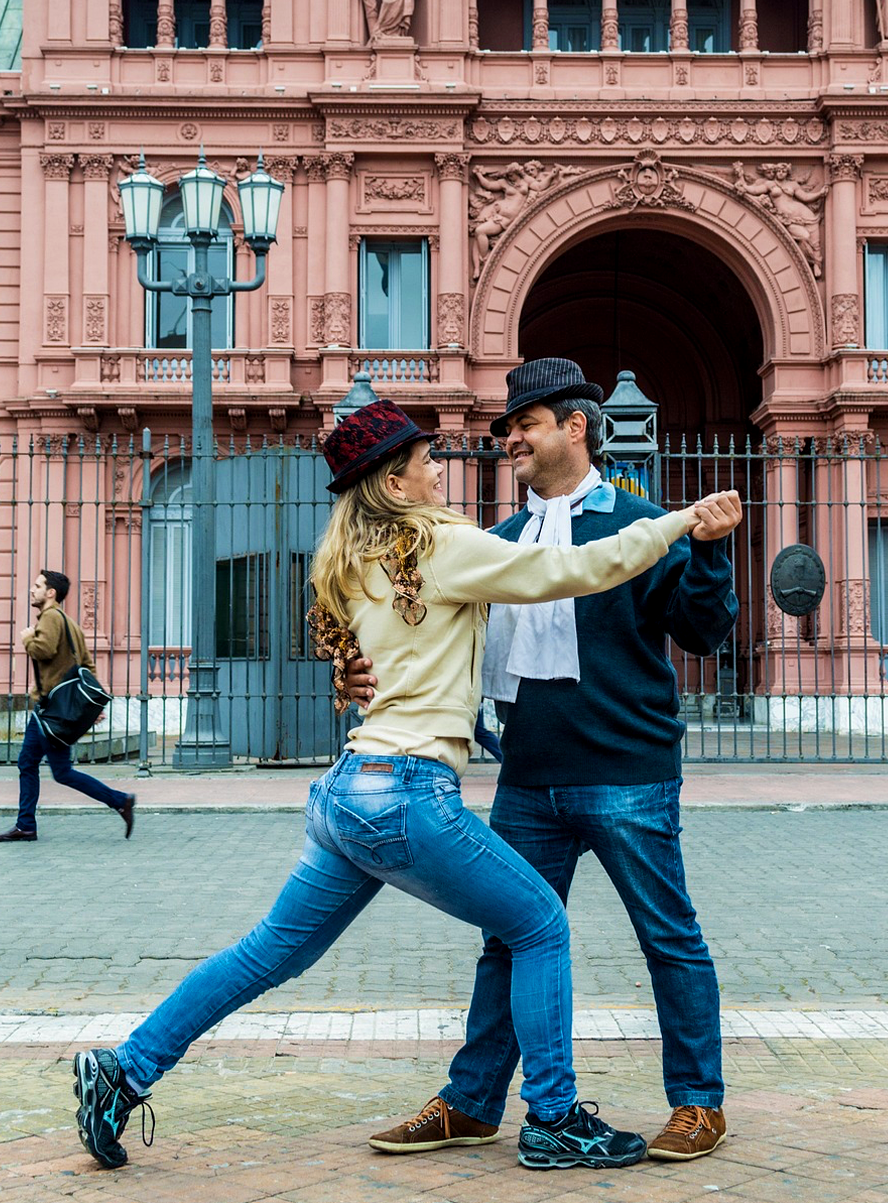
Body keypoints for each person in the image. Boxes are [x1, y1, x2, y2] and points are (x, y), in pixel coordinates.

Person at [71, 398, 739, 1173]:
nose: (438, 469)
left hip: (348, 793)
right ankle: (554, 1118)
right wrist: (677, 522)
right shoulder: (444, 544)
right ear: (394, 480)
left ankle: (124, 1071)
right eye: (425, 460)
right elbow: (579, 568)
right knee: (540, 928)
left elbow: (376, 660)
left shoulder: (350, 560)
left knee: (266, 954)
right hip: (410, 791)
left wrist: (350, 673)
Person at [352, 358, 742, 1164]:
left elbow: (705, 632)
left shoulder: (641, 524)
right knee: (508, 938)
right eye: (505, 429)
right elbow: (419, 636)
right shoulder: (493, 544)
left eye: (523, 426)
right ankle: (471, 1102)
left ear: (575, 427)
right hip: (527, 778)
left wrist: (707, 552)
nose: (510, 441)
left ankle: (700, 1103)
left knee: (667, 937)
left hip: (629, 774)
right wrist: (353, 669)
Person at [0, 569, 136, 842]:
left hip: (52, 711)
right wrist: (89, 706)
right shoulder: (70, 624)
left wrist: (27, 637)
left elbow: (42, 649)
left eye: (37, 586)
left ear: (51, 592)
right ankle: (26, 825)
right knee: (28, 762)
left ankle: (120, 800)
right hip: (51, 709)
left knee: (61, 772)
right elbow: (87, 666)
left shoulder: (51, 618)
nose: (32, 590)